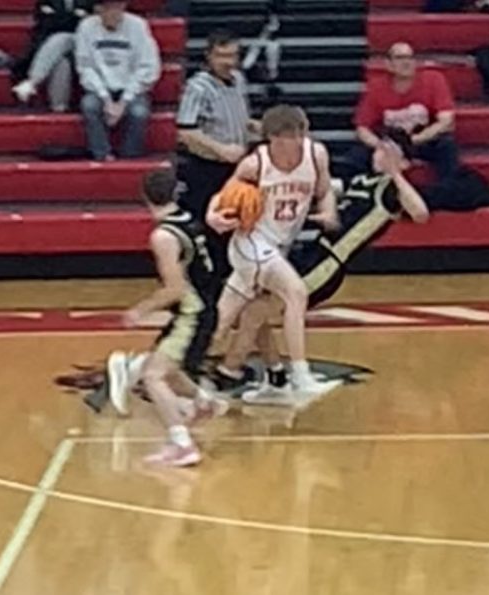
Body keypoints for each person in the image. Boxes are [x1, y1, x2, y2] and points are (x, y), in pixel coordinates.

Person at [212, 131, 431, 400]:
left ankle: (231, 372)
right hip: (311, 251)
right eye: (380, 148)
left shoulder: (391, 189)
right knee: (251, 307)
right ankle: (274, 373)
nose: (381, 153)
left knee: (255, 312)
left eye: (390, 150)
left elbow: (420, 214)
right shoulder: (360, 180)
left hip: (328, 263)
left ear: (404, 162)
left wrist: (396, 173)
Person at [207, 105, 338, 395]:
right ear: (270, 138)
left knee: (219, 325)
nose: (285, 144)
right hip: (249, 243)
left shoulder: (316, 155)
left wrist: (328, 211)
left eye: (291, 137)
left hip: (276, 247)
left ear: (301, 135)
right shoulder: (255, 165)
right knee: (296, 292)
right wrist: (212, 217)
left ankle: (141, 369)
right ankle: (301, 376)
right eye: (277, 139)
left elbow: (325, 190)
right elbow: (223, 195)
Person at [109, 169, 228, 466]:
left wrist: (140, 310)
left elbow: (174, 288)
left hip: (192, 314)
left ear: (145, 197)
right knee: (167, 367)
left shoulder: (163, 236)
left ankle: (181, 445)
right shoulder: (189, 222)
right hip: (205, 306)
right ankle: (205, 402)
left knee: (153, 376)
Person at [174, 29, 259, 277]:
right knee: (210, 225)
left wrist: (259, 127)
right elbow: (186, 131)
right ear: (209, 56)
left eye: (232, 55)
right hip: (206, 167)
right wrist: (220, 149)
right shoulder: (197, 87)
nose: (228, 62)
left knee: (237, 221)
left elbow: (238, 119)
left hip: (236, 167)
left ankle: (233, 273)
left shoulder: (239, 81)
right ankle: (209, 276)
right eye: (222, 56)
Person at [352, 42, 458, 180]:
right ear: (388, 64)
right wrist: (381, 145)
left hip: (423, 139)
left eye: (410, 57)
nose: (406, 62)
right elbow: (362, 128)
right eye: (400, 58)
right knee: (356, 156)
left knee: (447, 146)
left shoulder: (433, 79)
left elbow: (446, 121)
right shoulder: (377, 86)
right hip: (391, 142)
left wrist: (417, 139)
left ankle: (447, 193)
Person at [75, 0, 161, 161]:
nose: (112, 13)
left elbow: (148, 67)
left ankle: (130, 157)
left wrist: (124, 101)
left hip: (132, 88)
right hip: (100, 88)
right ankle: (102, 154)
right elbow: (86, 67)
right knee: (89, 105)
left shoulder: (139, 26)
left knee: (139, 113)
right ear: (98, 9)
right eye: (107, 9)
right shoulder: (86, 27)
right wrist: (106, 98)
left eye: (117, 8)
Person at [11, 0, 95, 112]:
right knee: (61, 62)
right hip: (49, 46)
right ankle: (59, 108)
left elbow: (89, 25)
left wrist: (59, 18)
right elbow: (46, 23)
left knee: (61, 38)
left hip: (85, 46)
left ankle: (32, 82)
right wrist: (73, 17)